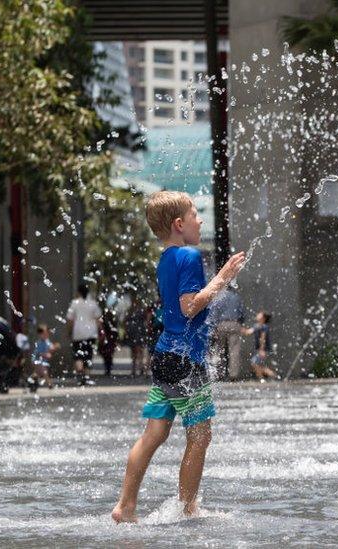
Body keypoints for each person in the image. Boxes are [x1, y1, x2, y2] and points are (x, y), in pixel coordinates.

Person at [111, 190, 246, 524]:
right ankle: (188, 509)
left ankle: (125, 506)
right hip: (186, 361)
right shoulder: (188, 255)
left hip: (165, 357)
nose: (200, 220)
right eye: (195, 214)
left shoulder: (166, 259)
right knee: (200, 435)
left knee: (154, 434)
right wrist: (223, 278)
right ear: (178, 224)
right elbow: (189, 307)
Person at [207, 288, 246, 380]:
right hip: (235, 323)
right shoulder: (237, 297)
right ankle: (233, 375)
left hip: (221, 324)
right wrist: (240, 323)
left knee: (220, 350)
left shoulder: (219, 297)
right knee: (234, 351)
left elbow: (214, 312)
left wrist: (214, 326)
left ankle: (219, 374)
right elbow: (242, 313)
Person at [66, 284, 101, 386]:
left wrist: (68, 331)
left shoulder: (74, 303)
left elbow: (70, 319)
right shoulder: (93, 303)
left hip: (78, 333)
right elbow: (98, 319)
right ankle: (86, 376)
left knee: (78, 355)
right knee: (88, 355)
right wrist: (100, 331)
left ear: (79, 292)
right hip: (91, 333)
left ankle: (80, 374)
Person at [242, 311, 276, 380]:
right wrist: (239, 328)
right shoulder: (256, 326)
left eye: (259, 314)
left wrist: (262, 350)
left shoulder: (264, 327)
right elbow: (248, 332)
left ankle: (263, 378)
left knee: (254, 363)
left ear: (263, 318)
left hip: (264, 349)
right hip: (259, 349)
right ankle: (270, 375)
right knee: (256, 364)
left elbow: (263, 339)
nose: (257, 315)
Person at [123, 300, 150, 378]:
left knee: (137, 351)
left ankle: (137, 369)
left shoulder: (131, 312)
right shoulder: (139, 311)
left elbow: (125, 322)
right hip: (135, 333)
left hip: (135, 333)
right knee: (137, 351)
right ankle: (138, 368)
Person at [29, 324, 59, 391]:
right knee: (44, 372)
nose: (46, 335)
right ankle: (49, 384)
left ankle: (31, 383)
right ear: (39, 334)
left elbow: (51, 347)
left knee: (37, 373)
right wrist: (46, 354)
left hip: (42, 361)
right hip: (37, 360)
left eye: (47, 333)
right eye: (44, 334)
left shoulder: (47, 341)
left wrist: (55, 347)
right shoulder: (39, 343)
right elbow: (38, 353)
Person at [98, 306, 119, 377]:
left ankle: (108, 368)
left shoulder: (105, 320)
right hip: (109, 339)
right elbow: (115, 331)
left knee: (106, 354)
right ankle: (108, 368)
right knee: (108, 354)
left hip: (107, 339)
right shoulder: (111, 320)